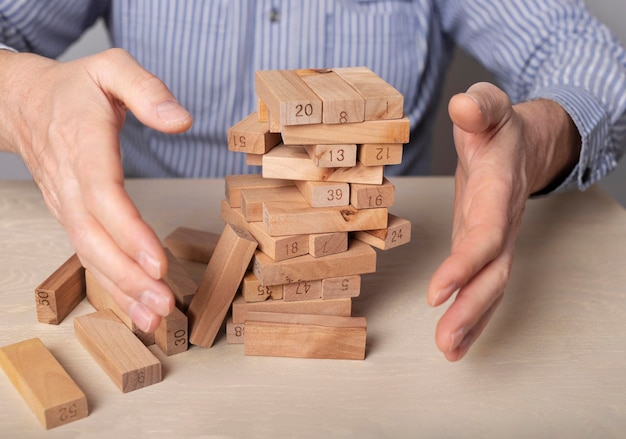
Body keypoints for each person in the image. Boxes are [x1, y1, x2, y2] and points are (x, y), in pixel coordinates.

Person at [1, 0, 625, 362]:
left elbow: (591, 60)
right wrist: (26, 94)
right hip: (148, 244)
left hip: (384, 284)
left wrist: (540, 134)